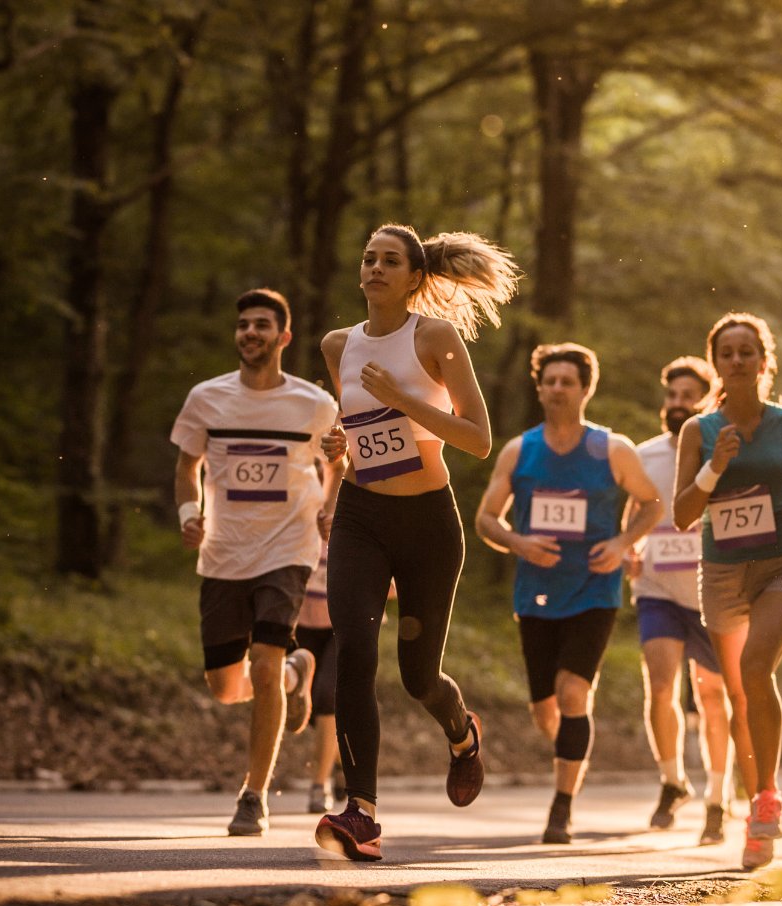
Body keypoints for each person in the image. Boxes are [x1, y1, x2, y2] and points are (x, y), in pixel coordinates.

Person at [313, 223, 521, 862]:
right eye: (368, 258)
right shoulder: (336, 344)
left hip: (428, 524)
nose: (375, 268)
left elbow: (478, 438)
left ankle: (461, 734)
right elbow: (355, 429)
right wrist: (338, 453)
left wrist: (403, 399)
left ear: (414, 277)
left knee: (418, 675)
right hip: (360, 518)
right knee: (352, 648)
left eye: (390, 261)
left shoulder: (434, 337)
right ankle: (362, 812)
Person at [475, 343, 663, 845]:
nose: (557, 389)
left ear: (585, 390)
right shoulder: (521, 450)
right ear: (539, 389)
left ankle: (561, 808)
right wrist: (518, 541)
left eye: (567, 382)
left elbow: (651, 504)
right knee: (545, 710)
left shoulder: (612, 449)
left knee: (573, 691)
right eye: (550, 382)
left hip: (595, 590)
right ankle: (572, 752)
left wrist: (624, 542)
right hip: (536, 594)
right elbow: (485, 518)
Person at [171, 288, 341, 837]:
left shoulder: (313, 404)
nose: (250, 333)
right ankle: (299, 673)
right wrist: (188, 513)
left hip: (288, 551)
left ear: (283, 337)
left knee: (263, 663)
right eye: (243, 324)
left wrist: (329, 507)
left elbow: (337, 460)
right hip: (223, 553)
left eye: (262, 325)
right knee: (226, 686)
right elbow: (187, 464)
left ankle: (254, 795)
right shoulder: (207, 398)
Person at [673, 312, 782, 870]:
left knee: (757, 666)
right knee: (739, 697)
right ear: (716, 364)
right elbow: (683, 513)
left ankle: (767, 798)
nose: (736, 361)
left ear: (765, 361)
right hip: (721, 577)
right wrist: (714, 469)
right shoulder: (700, 432)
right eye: (726, 353)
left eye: (746, 352)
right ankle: (757, 820)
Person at [625, 356, 733, 845]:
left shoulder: (722, 451)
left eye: (687, 396)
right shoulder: (645, 455)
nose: (676, 404)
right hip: (658, 591)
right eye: (671, 396)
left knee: (712, 697)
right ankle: (672, 781)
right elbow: (634, 511)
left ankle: (717, 798)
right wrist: (629, 547)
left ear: (707, 400)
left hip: (712, 593)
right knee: (661, 684)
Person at [290, 538, 341, 813]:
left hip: (341, 624)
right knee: (306, 708)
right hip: (301, 623)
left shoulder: (359, 500)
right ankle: (344, 761)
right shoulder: (302, 501)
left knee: (326, 696)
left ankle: (319, 785)